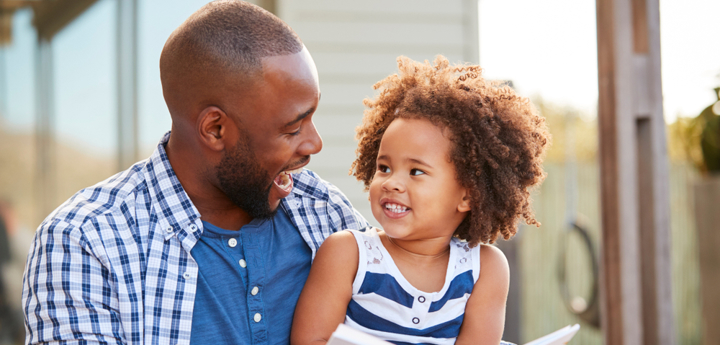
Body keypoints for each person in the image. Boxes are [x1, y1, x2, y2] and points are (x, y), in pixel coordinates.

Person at [22, 1, 368, 344]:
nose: (314, 143)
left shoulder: (324, 213)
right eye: (292, 129)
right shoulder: (84, 242)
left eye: (311, 117)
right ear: (215, 129)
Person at [291, 56, 550, 345]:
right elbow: (310, 340)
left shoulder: (485, 269)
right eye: (384, 167)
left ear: (468, 194)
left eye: (416, 171)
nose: (391, 183)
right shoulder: (347, 254)